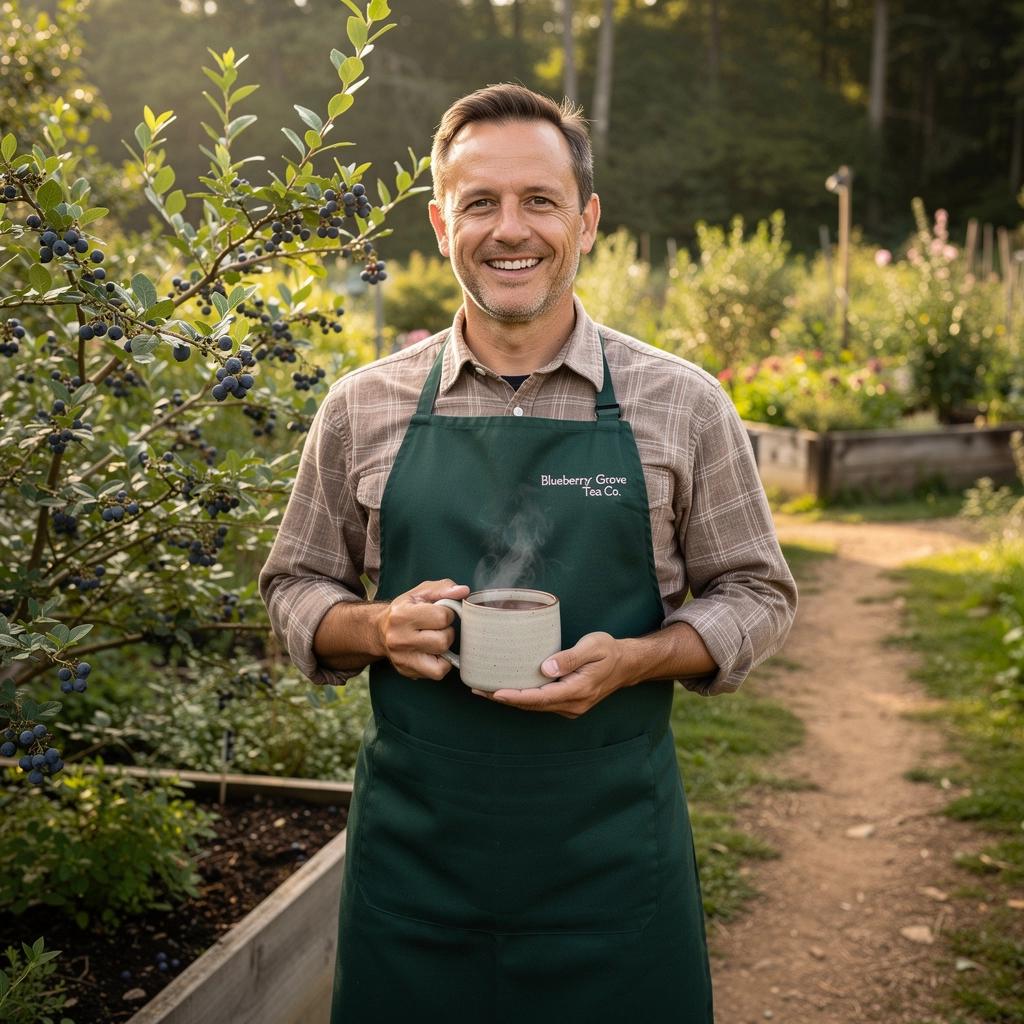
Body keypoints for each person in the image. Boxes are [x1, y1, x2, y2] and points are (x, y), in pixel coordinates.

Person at [259, 83, 797, 1023]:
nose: (512, 230)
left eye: (539, 201)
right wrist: (378, 627)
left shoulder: (681, 402)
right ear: (440, 223)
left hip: (611, 868)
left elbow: (755, 591)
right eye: (480, 203)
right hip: (416, 872)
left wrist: (637, 659)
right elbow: (294, 587)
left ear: (586, 221)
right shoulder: (362, 405)